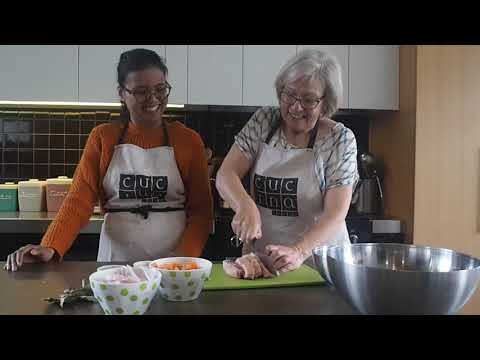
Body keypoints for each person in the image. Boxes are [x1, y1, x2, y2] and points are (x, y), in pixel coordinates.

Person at [4, 48, 213, 271]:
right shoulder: (103, 138)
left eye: (160, 89)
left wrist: (182, 260)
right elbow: (78, 201)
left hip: (172, 264)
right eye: (141, 91)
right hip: (115, 263)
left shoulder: (187, 141)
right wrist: (50, 246)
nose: (153, 99)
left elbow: (201, 212)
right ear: (122, 93)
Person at [216, 49, 359, 273]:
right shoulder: (264, 121)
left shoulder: (340, 140)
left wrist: (299, 251)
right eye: (289, 94)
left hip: (322, 267)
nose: (296, 107)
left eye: (309, 100)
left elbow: (335, 213)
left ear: (325, 102)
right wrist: (244, 204)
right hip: (266, 263)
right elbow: (226, 175)